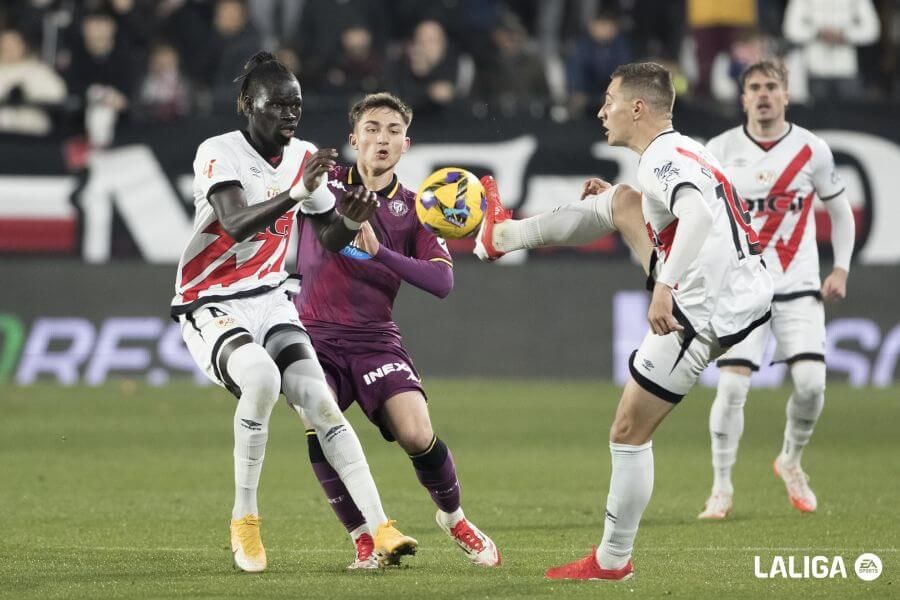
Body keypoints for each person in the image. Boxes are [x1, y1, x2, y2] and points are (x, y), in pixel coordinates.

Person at [476, 62, 773, 581]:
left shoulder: (661, 157)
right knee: (620, 201)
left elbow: (700, 216)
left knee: (628, 431)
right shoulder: (685, 148)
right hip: (742, 286)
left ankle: (612, 561)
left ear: (638, 108)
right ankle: (501, 238)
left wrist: (665, 287)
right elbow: (690, 213)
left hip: (702, 309)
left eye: (609, 99)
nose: (600, 110)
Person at [170, 52, 416, 573]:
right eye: (277, 104)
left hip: (267, 297)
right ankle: (245, 519)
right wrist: (297, 191)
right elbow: (235, 222)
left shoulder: (303, 155)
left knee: (319, 401)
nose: (289, 114)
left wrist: (348, 221)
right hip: (209, 301)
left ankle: (380, 526)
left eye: (296, 105)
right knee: (260, 377)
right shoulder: (219, 151)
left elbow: (326, 233)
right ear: (247, 105)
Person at [292, 92, 500, 570]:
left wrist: (379, 250)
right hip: (313, 335)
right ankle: (364, 540)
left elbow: (443, 282)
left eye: (391, 131)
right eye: (371, 128)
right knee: (320, 422)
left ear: (406, 145)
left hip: (374, 338)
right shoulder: (322, 186)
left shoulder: (417, 210)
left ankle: (454, 518)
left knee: (415, 432)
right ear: (353, 139)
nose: (380, 138)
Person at [698, 61, 855, 520]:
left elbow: (841, 212)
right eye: (754, 88)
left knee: (811, 385)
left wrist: (841, 268)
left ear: (786, 95)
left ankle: (790, 459)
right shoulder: (719, 150)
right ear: (742, 97)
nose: (763, 95)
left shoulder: (811, 149)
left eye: (772, 87)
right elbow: (699, 218)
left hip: (798, 284)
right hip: (742, 290)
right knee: (730, 389)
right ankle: (721, 489)